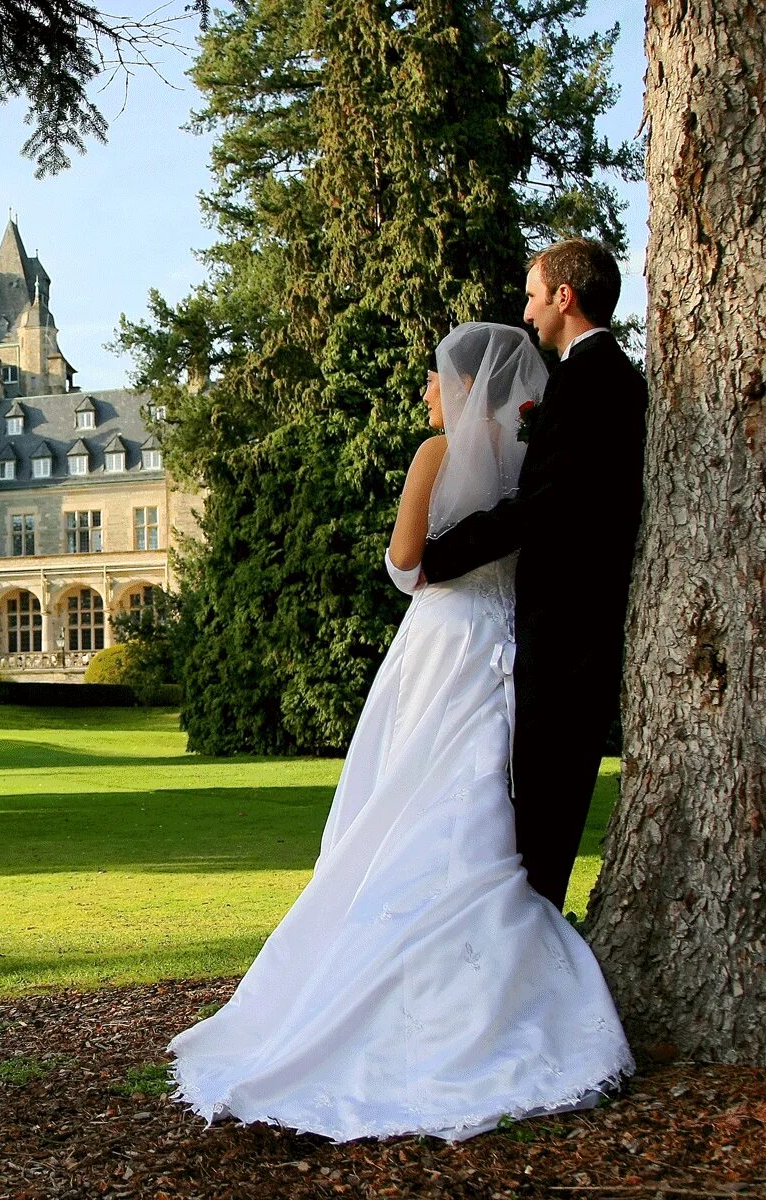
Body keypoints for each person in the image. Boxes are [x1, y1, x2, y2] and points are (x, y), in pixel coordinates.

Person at [169, 323, 633, 1142]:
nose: (426, 389)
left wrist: (416, 561)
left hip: (441, 637)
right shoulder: (530, 456)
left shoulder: (434, 452)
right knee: (482, 780)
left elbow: (407, 561)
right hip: (506, 639)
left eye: (432, 377)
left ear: (460, 386)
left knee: (410, 780)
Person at [422, 239, 648, 910]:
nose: (525, 312)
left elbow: (547, 505)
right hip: (574, 614)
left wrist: (442, 556)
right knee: (539, 796)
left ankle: (533, 943)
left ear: (564, 297)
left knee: (546, 797)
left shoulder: (586, 382)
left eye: (530, 294)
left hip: (568, 619)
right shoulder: (609, 379)